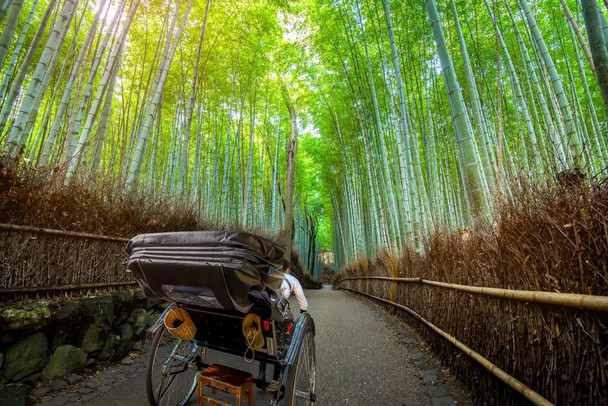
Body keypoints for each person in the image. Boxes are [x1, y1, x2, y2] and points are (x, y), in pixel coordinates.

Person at [256, 263, 309, 391]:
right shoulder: (292, 279)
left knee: (264, 342)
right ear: (287, 269)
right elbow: (304, 304)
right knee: (281, 344)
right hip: (280, 315)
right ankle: (275, 379)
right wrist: (302, 315)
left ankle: (261, 374)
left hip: (263, 311)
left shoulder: (266, 275)